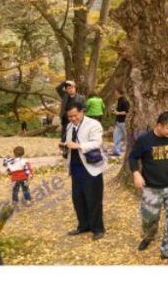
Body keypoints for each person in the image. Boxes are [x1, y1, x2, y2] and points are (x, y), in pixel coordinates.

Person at [129, 112, 168, 261]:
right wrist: (136, 173)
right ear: (159, 126)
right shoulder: (144, 140)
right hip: (151, 187)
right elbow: (133, 157)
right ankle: (149, 236)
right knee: (149, 219)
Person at [63, 101, 106, 241]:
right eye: (70, 117)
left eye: (75, 115)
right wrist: (65, 146)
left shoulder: (93, 124)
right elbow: (71, 144)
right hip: (75, 167)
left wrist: (79, 145)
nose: (73, 119)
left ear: (82, 112)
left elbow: (97, 142)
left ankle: (98, 229)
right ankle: (83, 225)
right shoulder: (69, 126)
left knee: (93, 198)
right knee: (78, 198)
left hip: (90, 167)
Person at [111, 88, 130, 157]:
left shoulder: (124, 101)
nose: (114, 94)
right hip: (118, 122)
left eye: (115, 92)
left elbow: (127, 112)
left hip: (124, 122)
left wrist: (118, 113)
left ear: (119, 92)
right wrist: (114, 110)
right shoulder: (119, 100)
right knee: (116, 137)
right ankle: (116, 152)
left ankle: (130, 152)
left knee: (127, 137)